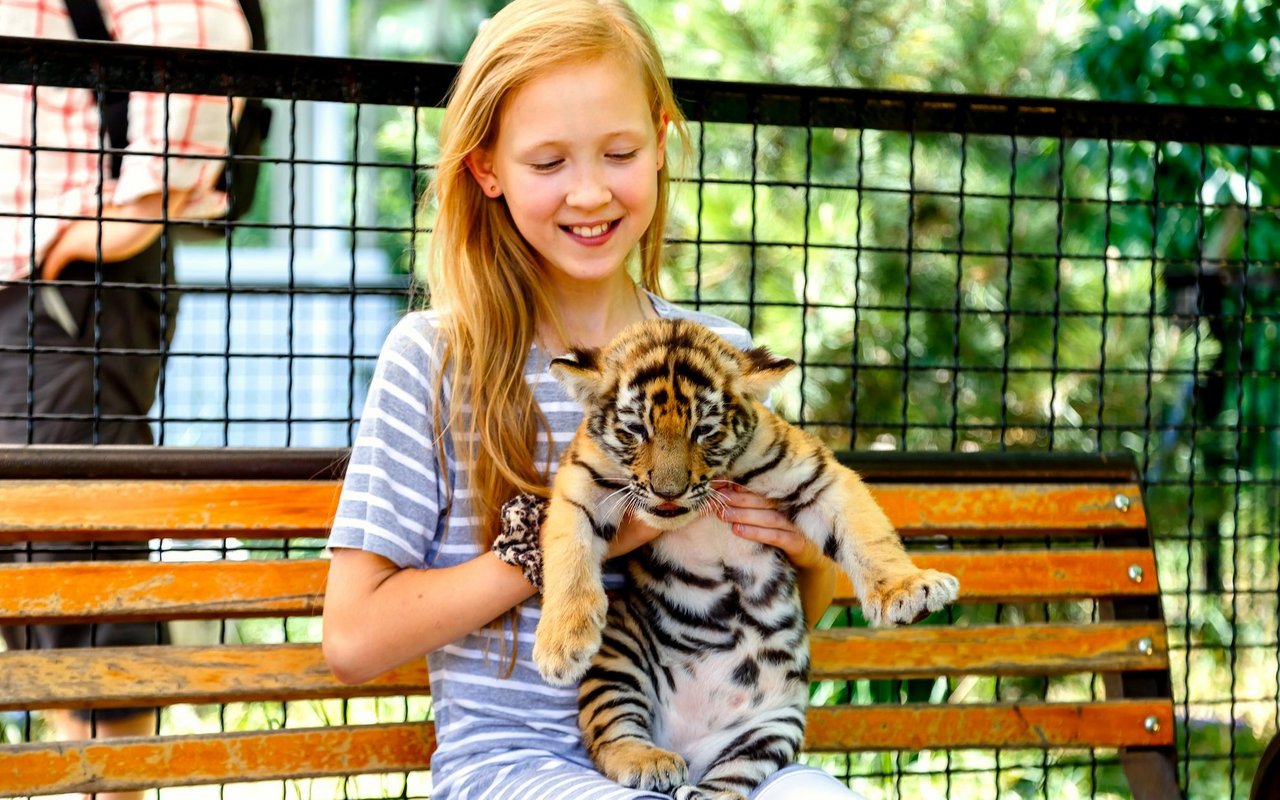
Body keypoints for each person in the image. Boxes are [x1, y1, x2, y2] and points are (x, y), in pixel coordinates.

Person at [322, 1, 865, 798]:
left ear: (659, 142)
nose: (589, 193)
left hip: (709, 750)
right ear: (486, 169)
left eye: (618, 152)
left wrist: (804, 549)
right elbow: (353, 638)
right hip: (516, 768)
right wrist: (578, 540)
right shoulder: (436, 361)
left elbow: (797, 603)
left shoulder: (715, 351)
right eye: (548, 163)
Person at [0, 3, 253, 798]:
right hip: (37, 280)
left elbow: (201, 38)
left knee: (79, 564)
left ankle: (110, 790)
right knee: (37, 572)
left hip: (66, 285)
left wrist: (95, 229)